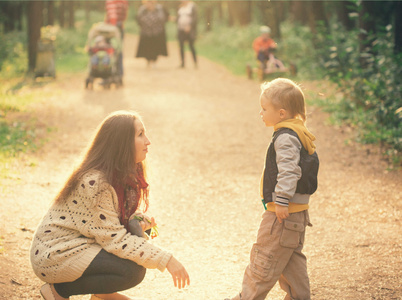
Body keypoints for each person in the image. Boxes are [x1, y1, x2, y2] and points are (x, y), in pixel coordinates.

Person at [30, 111, 190, 300]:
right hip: (55, 253)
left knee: (134, 250)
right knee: (132, 272)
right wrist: (167, 260)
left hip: (82, 244)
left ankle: (102, 296)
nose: (148, 141)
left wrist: (141, 224)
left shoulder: (125, 174)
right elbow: (116, 240)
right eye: (140, 135)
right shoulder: (96, 183)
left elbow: (113, 223)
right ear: (121, 144)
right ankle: (58, 291)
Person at [226, 78, 319, 300]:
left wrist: (281, 201)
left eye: (265, 108)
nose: (261, 112)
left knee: (263, 263)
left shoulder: (286, 137)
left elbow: (289, 171)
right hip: (296, 217)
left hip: (282, 215)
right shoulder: (298, 132)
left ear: (281, 113)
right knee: (292, 265)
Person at [136, 0, 169, 68]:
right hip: (146, 32)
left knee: (155, 47)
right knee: (147, 47)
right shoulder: (142, 10)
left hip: (156, 32)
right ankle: (148, 60)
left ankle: (154, 60)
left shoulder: (159, 9)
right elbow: (138, 19)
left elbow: (163, 18)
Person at [105, 0, 128, 76]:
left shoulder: (111, 1)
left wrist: (112, 26)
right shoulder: (124, 1)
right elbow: (125, 14)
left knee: (108, 49)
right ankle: (119, 73)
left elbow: (112, 15)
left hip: (111, 28)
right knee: (119, 50)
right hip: (120, 26)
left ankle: (108, 73)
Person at [176, 0, 197, 68]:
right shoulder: (180, 8)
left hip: (189, 30)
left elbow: (195, 18)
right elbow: (179, 18)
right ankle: (182, 63)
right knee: (181, 46)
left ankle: (195, 62)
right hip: (181, 29)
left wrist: (190, 26)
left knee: (191, 46)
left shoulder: (192, 6)